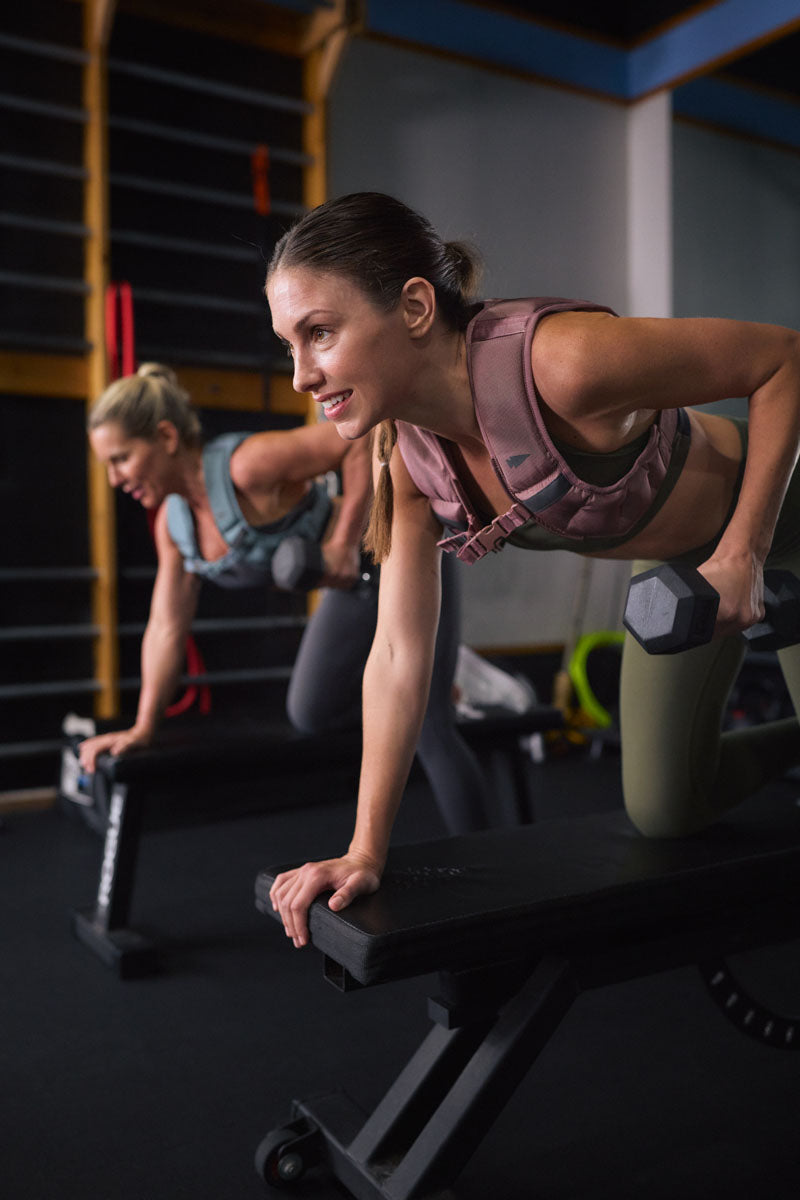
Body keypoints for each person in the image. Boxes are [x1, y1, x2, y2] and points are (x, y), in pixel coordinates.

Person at [265, 190, 800, 948]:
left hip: (785, 521)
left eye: (319, 333)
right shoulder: (410, 465)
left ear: (415, 306)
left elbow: (782, 359)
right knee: (668, 807)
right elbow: (396, 654)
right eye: (289, 343)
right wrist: (364, 849)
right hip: (689, 564)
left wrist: (744, 551)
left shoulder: (562, 362)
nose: (300, 375)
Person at [78, 362, 490, 835]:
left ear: (167, 437)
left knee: (430, 728)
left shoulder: (247, 465)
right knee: (311, 713)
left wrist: (340, 542)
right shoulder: (174, 529)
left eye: (121, 458)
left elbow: (357, 444)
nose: (114, 479)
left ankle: (488, 874)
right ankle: (425, 680)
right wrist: (144, 726)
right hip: (353, 590)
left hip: (396, 549)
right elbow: (166, 626)